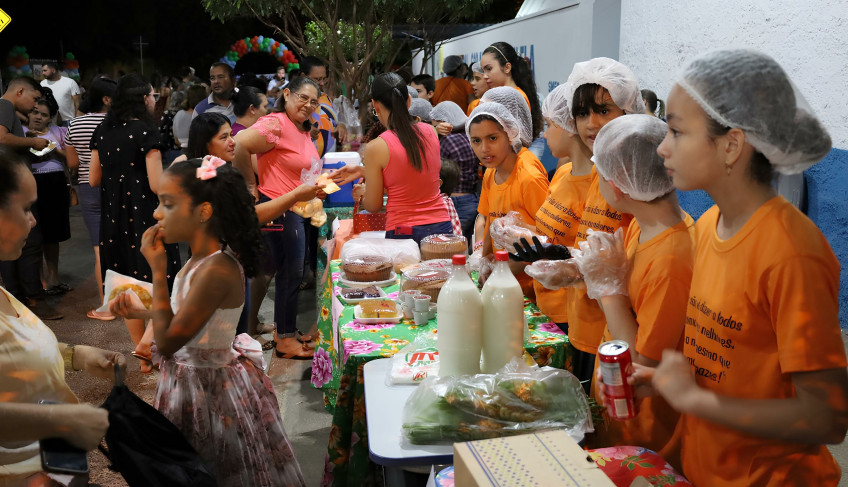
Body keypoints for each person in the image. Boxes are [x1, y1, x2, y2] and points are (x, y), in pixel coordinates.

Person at [609, 49, 848, 486]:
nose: (662, 147)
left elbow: (827, 419)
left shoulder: (792, 253)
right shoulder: (706, 227)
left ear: (731, 145)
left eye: (677, 131)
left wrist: (697, 402)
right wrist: (664, 381)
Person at [109, 158, 306, 486]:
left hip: (208, 391)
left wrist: (157, 271)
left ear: (203, 212)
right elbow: (191, 314)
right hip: (191, 383)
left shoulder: (217, 269)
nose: (157, 213)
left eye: (168, 204)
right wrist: (142, 310)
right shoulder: (198, 262)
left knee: (211, 467)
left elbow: (171, 342)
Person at [0, 146, 126, 485]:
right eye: (26, 208)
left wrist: (76, 355)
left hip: (54, 458)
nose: (33, 219)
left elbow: (15, 355)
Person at [572, 114, 693, 468]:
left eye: (601, 173)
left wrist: (607, 291)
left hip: (647, 437)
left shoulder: (672, 258)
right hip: (619, 415)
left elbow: (640, 363)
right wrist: (578, 271)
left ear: (620, 186)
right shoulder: (645, 228)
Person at [555, 57, 644, 391]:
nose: (590, 124)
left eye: (604, 110)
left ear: (628, 111)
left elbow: (633, 264)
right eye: (581, 113)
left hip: (619, 338)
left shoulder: (635, 184)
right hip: (583, 322)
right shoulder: (598, 172)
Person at [89, 73, 182, 372]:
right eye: (153, 95)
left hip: (114, 217)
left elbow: (93, 179)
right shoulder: (145, 132)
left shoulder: (102, 131)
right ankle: (150, 344)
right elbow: (157, 184)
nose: (155, 100)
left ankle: (141, 349)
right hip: (144, 214)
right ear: (143, 99)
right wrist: (178, 171)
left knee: (127, 282)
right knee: (160, 278)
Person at [233, 76, 322, 359]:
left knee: (290, 273)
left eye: (313, 101)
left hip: (296, 210)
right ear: (286, 94)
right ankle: (284, 339)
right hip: (280, 208)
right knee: (289, 274)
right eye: (302, 98)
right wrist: (250, 185)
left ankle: (285, 330)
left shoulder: (300, 127)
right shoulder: (275, 123)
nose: (308, 105)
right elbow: (239, 145)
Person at [521, 83, 595, 333]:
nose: (544, 134)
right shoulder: (562, 172)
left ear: (569, 126)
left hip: (572, 314)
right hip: (544, 303)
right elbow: (549, 232)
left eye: (549, 125)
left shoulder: (597, 187)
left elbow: (595, 258)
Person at [467, 101, 549, 295]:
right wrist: (484, 258)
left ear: (511, 134)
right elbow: (490, 221)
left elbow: (547, 237)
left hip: (529, 287)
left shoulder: (529, 178)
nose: (484, 148)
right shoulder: (490, 172)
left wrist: (501, 273)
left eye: (492, 138)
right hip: (500, 281)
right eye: (476, 141)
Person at [360, 72, 451, 243]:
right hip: (441, 224)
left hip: (403, 230)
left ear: (375, 105)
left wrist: (363, 194)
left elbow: (373, 205)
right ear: (409, 100)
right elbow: (413, 182)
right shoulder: (431, 132)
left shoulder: (376, 147)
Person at [0, 77, 58, 320]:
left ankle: (18, 300)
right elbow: (1, 138)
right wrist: (33, 141)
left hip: (10, 186)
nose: (35, 106)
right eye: (34, 98)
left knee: (12, 244)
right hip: (13, 189)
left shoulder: (8, 109)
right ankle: (33, 298)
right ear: (20, 90)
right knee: (29, 242)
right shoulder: (4, 106)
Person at [65, 77, 118, 321]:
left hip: (88, 186)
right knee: (123, 242)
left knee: (100, 248)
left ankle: (106, 307)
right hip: (118, 186)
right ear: (107, 99)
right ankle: (129, 300)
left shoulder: (74, 125)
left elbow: (73, 163)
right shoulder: (118, 122)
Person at [24, 92, 72, 299]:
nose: (37, 117)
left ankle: (53, 278)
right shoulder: (21, 131)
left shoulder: (59, 131)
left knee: (54, 234)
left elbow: (71, 160)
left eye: (43, 115)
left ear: (50, 118)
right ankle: (39, 280)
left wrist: (54, 150)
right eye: (35, 112)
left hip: (55, 183)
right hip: (31, 182)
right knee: (34, 233)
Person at [430, 101, 478, 241]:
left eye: (435, 124)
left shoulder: (447, 141)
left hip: (454, 202)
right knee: (466, 246)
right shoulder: (471, 138)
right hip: (472, 199)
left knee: (451, 247)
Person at [480, 42, 543, 139]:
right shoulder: (504, 94)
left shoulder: (513, 96)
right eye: (483, 71)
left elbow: (512, 138)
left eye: (489, 69)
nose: (485, 76)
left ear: (507, 67)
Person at [174, 84, 207, 152]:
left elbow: (176, 140)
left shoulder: (179, 114)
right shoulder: (203, 117)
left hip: (183, 152)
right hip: (200, 154)